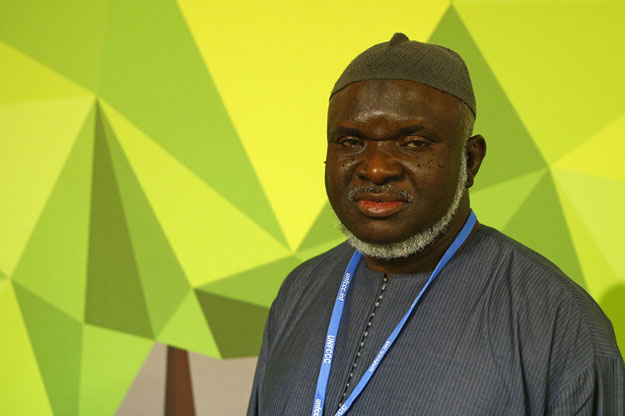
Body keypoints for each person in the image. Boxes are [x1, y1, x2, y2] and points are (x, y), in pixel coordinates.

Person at [247, 33, 624, 415]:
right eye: (350, 141)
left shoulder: (557, 320)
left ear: (471, 160)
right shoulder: (299, 291)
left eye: (412, 143)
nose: (376, 169)